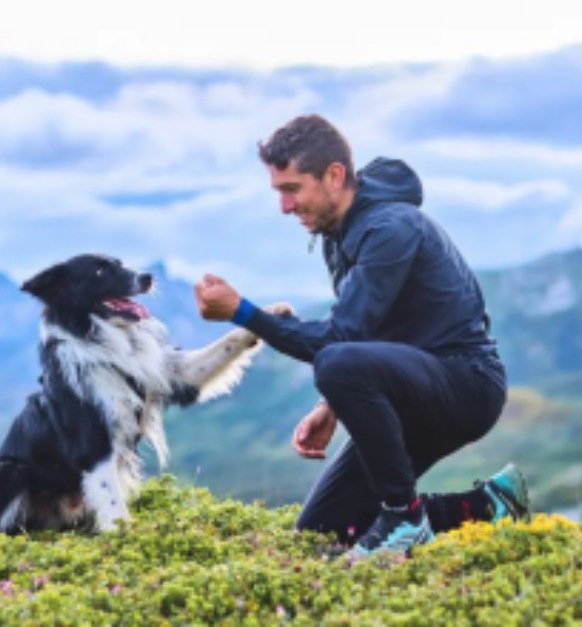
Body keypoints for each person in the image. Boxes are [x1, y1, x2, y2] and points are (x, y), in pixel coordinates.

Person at [194, 114, 529, 560]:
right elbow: (367, 331)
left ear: (334, 175)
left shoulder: (391, 228)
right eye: (279, 192)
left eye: (292, 189)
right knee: (325, 531)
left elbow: (341, 339)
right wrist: (331, 404)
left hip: (464, 385)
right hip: (409, 388)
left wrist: (242, 312)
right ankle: (489, 505)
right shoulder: (339, 232)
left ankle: (403, 519)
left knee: (335, 361)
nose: (285, 208)